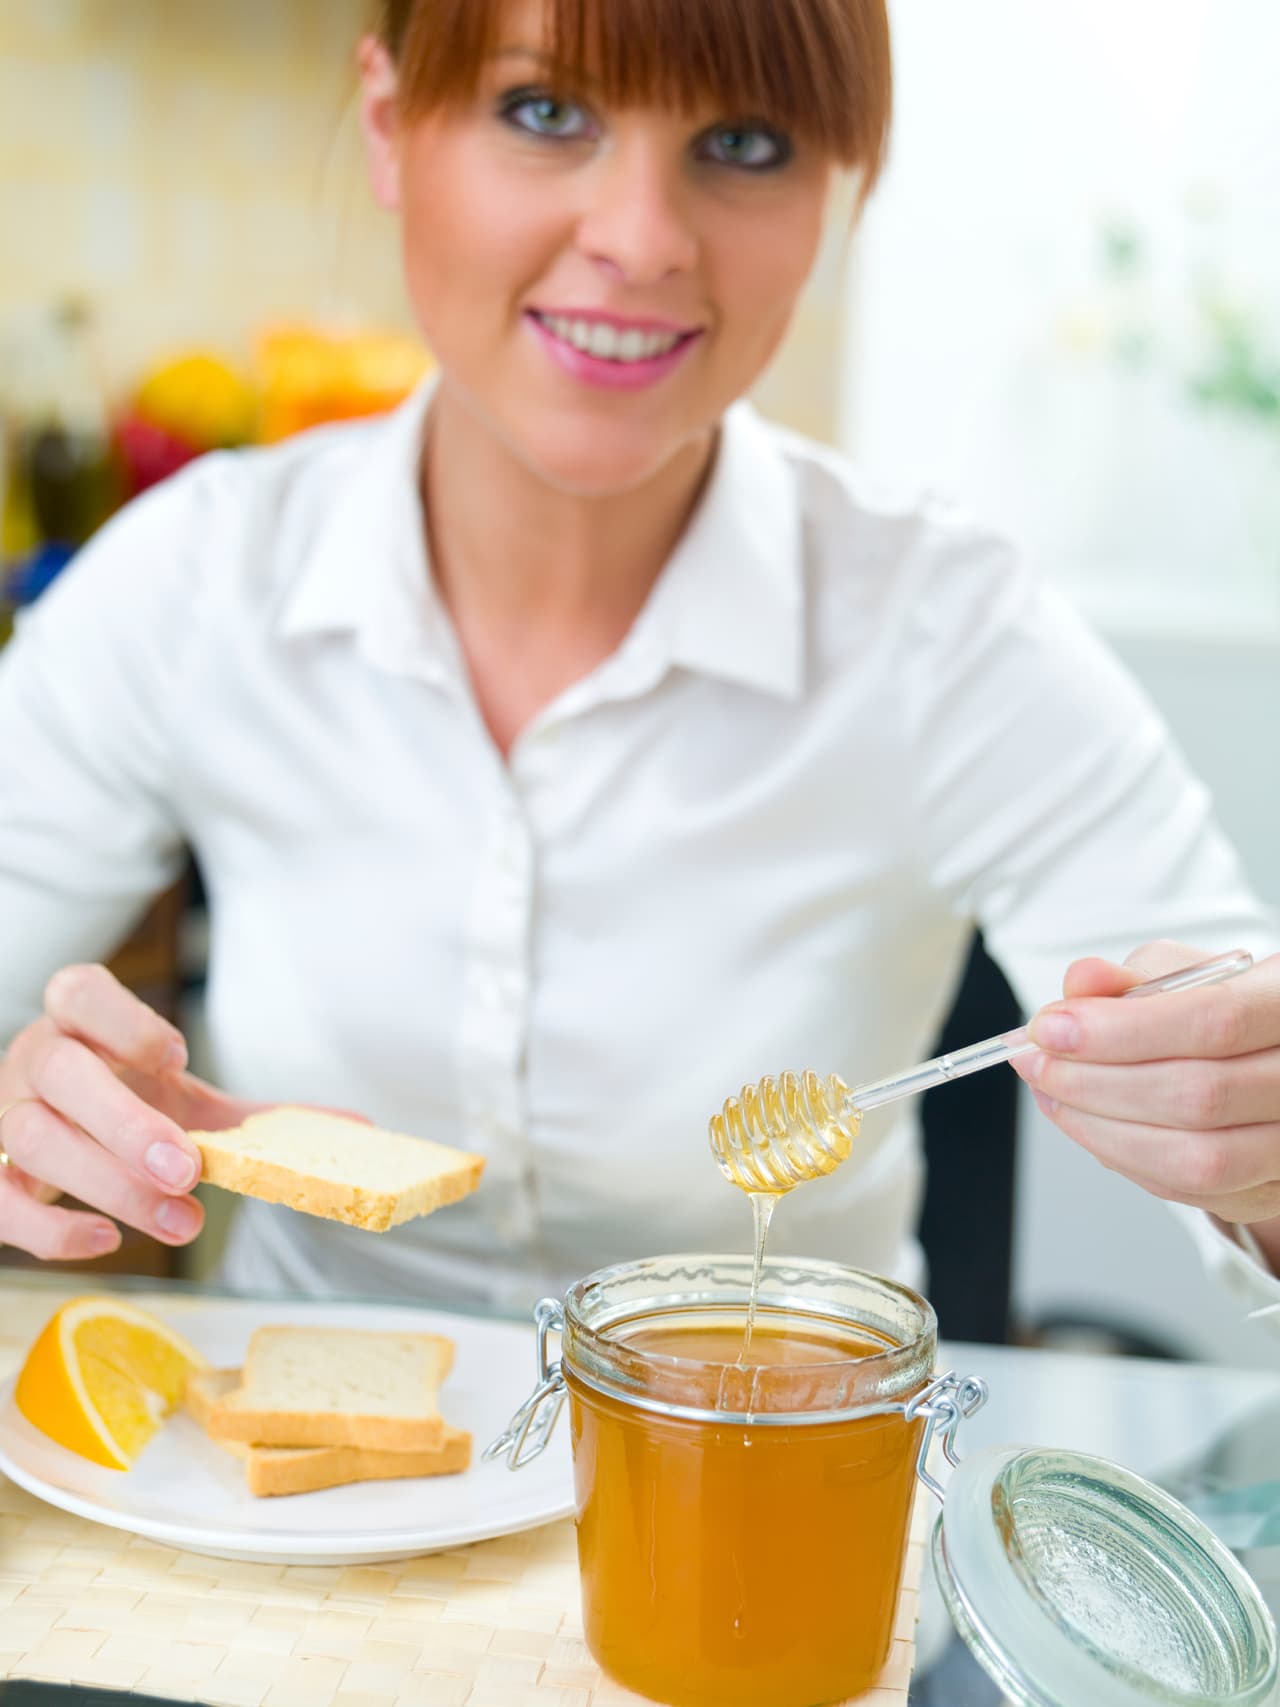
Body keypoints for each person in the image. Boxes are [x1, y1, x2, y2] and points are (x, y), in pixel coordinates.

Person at [0, 0, 1277, 1319]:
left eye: (745, 142)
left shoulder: (948, 633)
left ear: (844, 190)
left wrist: (1255, 1144)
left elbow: (1236, 1056)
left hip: (780, 1471)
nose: (642, 238)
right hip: (311, 1494)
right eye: (546, 113)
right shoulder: (193, 581)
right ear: (389, 127)